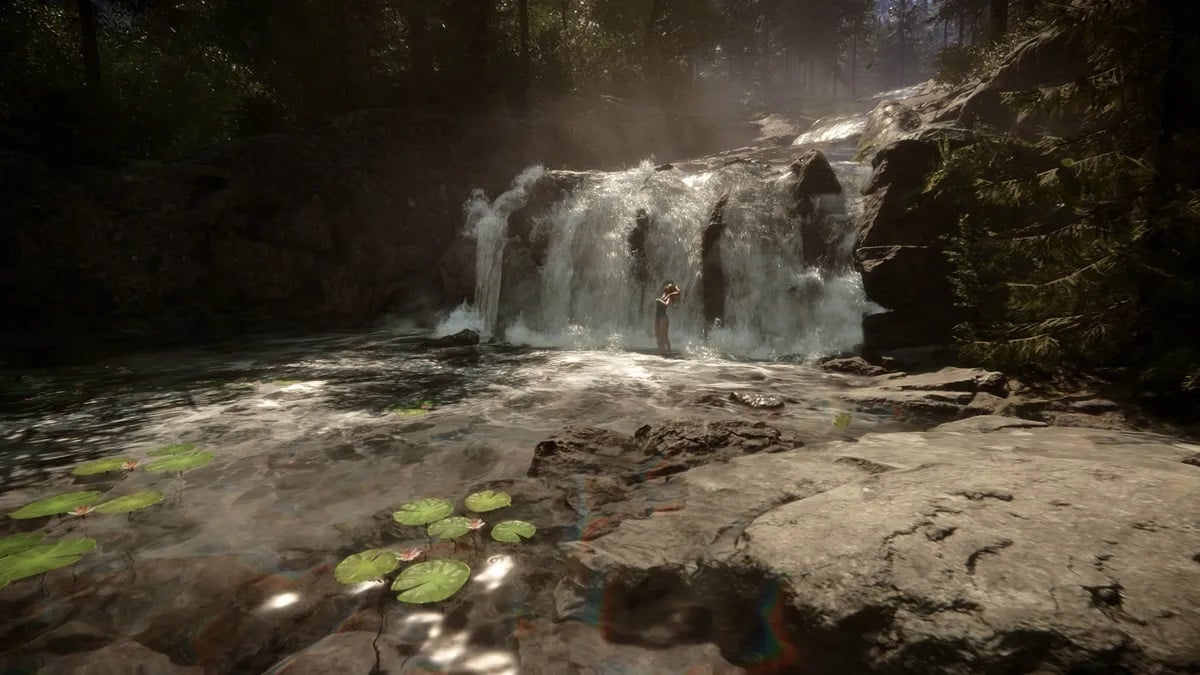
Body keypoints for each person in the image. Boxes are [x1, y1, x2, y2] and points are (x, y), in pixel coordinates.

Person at [654, 281, 681, 356]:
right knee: (657, 335)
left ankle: (669, 352)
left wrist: (659, 300)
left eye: (669, 286)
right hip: (657, 317)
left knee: (664, 337)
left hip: (663, 318)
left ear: (670, 289)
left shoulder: (669, 297)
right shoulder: (663, 295)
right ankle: (661, 350)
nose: (667, 285)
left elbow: (666, 305)